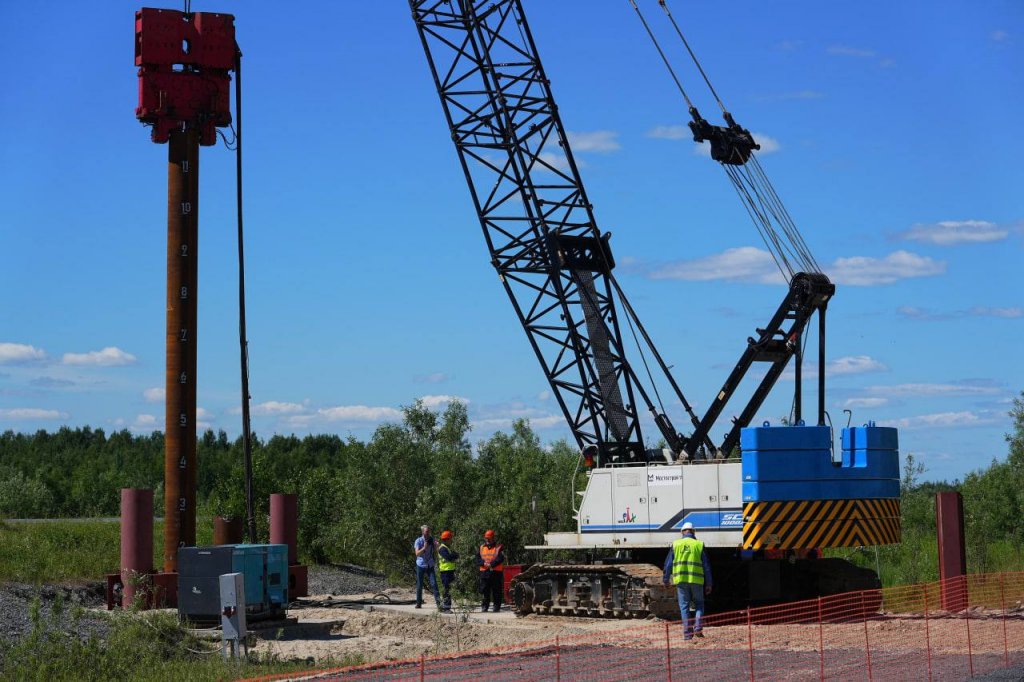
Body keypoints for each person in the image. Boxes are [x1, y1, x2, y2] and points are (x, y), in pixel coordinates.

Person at [662, 521, 712, 640]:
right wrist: (709, 583)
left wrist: (666, 579)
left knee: (684, 607)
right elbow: (706, 566)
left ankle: (687, 635)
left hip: (681, 581)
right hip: (697, 581)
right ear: (693, 532)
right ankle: (698, 628)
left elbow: (668, 564)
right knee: (699, 604)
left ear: (682, 532)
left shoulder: (676, 544)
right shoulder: (699, 544)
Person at [475, 529, 504, 612]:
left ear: (493, 538)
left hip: (496, 572)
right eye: (486, 538)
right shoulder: (481, 547)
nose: (487, 540)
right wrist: (483, 563)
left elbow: (500, 558)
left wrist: (491, 564)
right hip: (484, 572)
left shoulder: (498, 547)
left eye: (489, 538)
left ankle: (496, 607)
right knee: (485, 590)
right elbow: (477, 559)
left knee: (497, 590)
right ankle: (485, 606)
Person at [413, 524, 441, 609]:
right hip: (420, 564)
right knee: (419, 584)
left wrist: (437, 546)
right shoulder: (418, 541)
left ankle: (439, 604)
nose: (428, 533)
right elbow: (417, 553)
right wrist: (424, 548)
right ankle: (418, 603)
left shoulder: (432, 540)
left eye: (429, 531)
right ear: (423, 532)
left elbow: (438, 551)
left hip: (430, 564)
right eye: (426, 532)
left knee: (434, 583)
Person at [438, 530, 459, 612]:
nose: (451, 541)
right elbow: (449, 557)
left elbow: (451, 556)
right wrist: (455, 555)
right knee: (447, 590)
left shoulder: (446, 548)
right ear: (446, 539)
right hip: (445, 572)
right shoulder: (442, 548)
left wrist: (454, 555)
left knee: (448, 589)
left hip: (449, 571)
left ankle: (445, 606)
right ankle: (446, 607)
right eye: (450, 539)